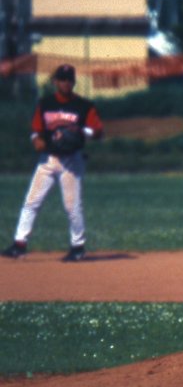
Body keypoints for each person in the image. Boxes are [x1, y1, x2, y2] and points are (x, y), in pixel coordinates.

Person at [2, 64, 104, 262]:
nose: (66, 83)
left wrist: (81, 131)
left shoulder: (84, 106)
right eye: (62, 79)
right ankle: (19, 245)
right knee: (31, 202)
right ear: (56, 81)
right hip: (48, 159)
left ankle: (78, 248)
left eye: (69, 79)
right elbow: (36, 129)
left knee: (72, 206)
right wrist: (36, 139)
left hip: (71, 161)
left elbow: (98, 131)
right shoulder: (45, 103)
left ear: (74, 82)